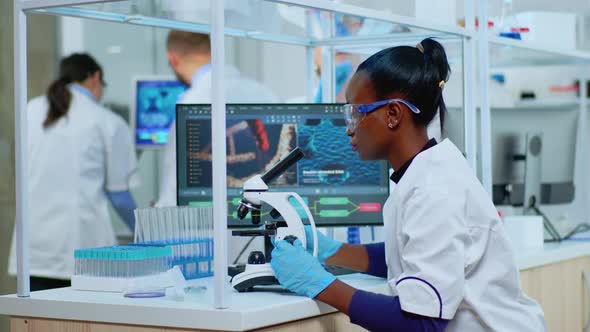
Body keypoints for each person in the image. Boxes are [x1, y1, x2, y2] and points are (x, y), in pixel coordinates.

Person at [270, 39, 546, 331]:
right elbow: (407, 254)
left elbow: (422, 324)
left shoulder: (434, 190)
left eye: (356, 113)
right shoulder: (425, 171)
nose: (349, 128)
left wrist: (319, 284)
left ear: (392, 114)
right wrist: (328, 251)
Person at [8, 53, 139, 291]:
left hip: (33, 253)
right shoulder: (106, 120)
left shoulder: (31, 109)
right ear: (95, 78)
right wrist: (145, 233)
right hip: (83, 253)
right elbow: (119, 196)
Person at [157, 30, 277, 207]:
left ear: (172, 59)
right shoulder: (263, 92)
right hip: (260, 217)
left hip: (202, 225)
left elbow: (174, 184)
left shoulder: (192, 101)